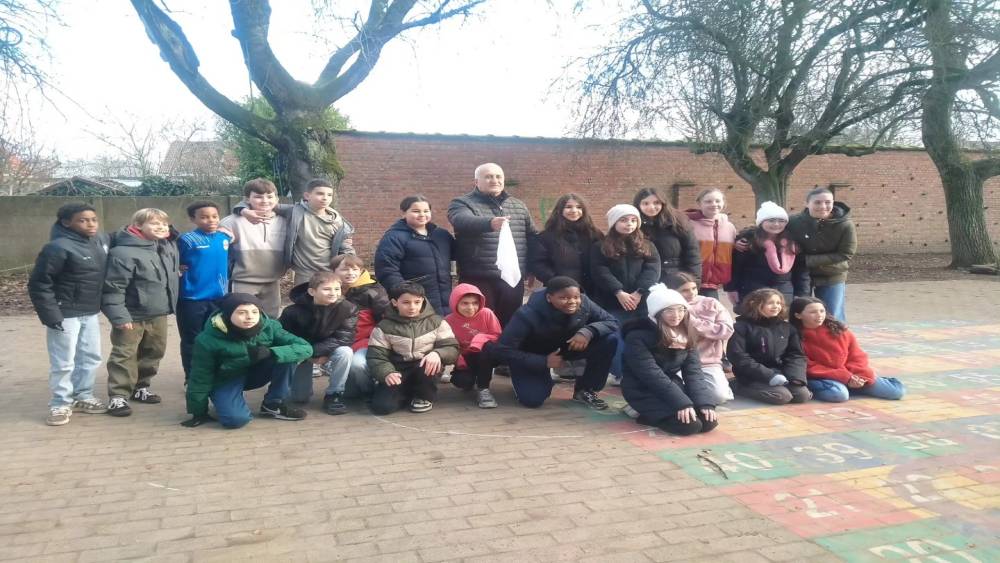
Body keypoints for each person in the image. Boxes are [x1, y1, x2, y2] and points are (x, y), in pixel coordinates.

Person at [28, 203, 110, 426]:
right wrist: (51, 315)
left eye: (93, 219)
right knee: (63, 362)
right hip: (64, 314)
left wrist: (167, 232)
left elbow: (126, 235)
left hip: (90, 312)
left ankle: (83, 395)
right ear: (66, 223)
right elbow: (39, 284)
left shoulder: (99, 241)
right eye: (83, 220)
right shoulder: (56, 248)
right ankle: (60, 403)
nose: (91, 224)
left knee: (91, 357)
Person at [182, 293, 311, 428]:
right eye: (242, 313)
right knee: (235, 420)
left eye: (255, 312)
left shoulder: (270, 326)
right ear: (227, 314)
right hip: (226, 378)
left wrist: (271, 352)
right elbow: (200, 376)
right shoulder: (206, 340)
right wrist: (198, 412)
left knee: (287, 357)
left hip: (257, 373)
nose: (250, 317)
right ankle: (224, 400)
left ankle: (273, 404)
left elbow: (305, 347)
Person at [491, 276, 619, 410]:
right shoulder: (527, 314)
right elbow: (502, 351)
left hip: (566, 347)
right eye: (564, 298)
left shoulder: (585, 302)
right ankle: (521, 377)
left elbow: (612, 322)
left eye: (576, 297)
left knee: (608, 340)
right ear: (549, 298)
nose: (572, 301)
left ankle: (585, 389)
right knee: (533, 399)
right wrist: (543, 361)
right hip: (533, 354)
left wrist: (588, 332)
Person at [102, 208, 180, 417]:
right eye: (154, 224)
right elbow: (113, 287)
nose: (161, 227)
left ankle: (141, 387)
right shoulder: (123, 253)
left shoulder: (164, 246)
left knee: (154, 352)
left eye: (164, 224)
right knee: (124, 354)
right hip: (131, 315)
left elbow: (175, 239)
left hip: (158, 312)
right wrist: (119, 316)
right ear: (137, 226)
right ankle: (118, 396)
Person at [621, 285, 719, 435]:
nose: (676, 315)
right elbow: (652, 375)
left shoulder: (686, 332)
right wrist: (682, 403)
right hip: (642, 388)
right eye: (669, 310)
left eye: (681, 309)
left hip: (671, 386)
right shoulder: (637, 337)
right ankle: (642, 412)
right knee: (689, 426)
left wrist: (704, 403)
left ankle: (665, 411)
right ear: (657, 313)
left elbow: (693, 372)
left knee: (708, 421)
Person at [448, 162, 536, 326]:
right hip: (478, 277)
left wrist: (531, 268)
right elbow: (461, 220)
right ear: (476, 182)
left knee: (510, 323)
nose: (494, 180)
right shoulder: (461, 203)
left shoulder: (518, 205)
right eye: (488, 177)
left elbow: (531, 237)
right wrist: (489, 223)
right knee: (480, 324)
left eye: (498, 176)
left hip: (512, 278)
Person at [235, 177, 356, 286]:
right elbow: (262, 204)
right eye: (320, 193)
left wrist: (351, 267)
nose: (325, 198)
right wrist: (244, 211)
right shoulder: (294, 212)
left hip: (329, 271)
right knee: (303, 302)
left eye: (329, 195)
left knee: (327, 302)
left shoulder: (338, 222)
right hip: (303, 272)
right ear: (307, 195)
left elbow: (346, 248)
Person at [590, 204, 661, 382]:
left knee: (640, 338)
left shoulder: (648, 245)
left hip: (641, 302)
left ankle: (640, 372)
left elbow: (652, 269)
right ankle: (620, 372)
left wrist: (639, 292)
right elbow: (600, 271)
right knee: (616, 337)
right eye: (623, 220)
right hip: (612, 302)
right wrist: (618, 291)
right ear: (614, 222)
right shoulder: (601, 246)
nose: (629, 224)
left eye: (633, 220)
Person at [366, 282, 460, 415]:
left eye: (417, 302)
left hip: (424, 368)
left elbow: (452, 347)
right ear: (394, 302)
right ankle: (406, 393)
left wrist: (438, 354)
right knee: (382, 407)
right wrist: (386, 372)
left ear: (423, 300)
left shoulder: (437, 321)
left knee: (429, 364)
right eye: (406, 302)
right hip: (398, 369)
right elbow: (376, 356)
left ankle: (424, 396)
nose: (412, 307)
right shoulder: (383, 327)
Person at [791, 297, 905, 403]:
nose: (819, 315)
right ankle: (836, 387)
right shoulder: (793, 335)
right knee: (839, 395)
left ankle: (854, 386)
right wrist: (845, 377)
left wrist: (858, 375)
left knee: (896, 392)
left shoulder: (838, 329)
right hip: (822, 377)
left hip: (851, 373)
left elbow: (857, 355)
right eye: (813, 312)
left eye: (822, 311)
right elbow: (807, 366)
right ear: (798, 315)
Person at [279, 272, 359, 415]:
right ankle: (283, 391)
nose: (333, 293)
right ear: (312, 291)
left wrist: (317, 352)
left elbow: (344, 337)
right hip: (302, 353)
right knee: (300, 398)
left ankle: (334, 394)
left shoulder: (348, 308)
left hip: (329, 349)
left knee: (345, 352)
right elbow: (283, 337)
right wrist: (308, 354)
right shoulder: (292, 312)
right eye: (327, 289)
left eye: (337, 289)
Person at [176, 201, 231, 382]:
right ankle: (192, 378)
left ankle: (213, 374)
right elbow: (172, 260)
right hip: (192, 298)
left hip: (219, 298)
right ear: (193, 219)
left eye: (214, 216)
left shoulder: (224, 238)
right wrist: (177, 268)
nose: (211, 220)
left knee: (217, 337)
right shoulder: (186, 240)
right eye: (204, 217)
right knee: (192, 340)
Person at [727, 288, 811, 405]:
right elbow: (738, 356)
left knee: (802, 395)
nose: (776, 306)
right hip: (751, 374)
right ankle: (736, 386)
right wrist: (769, 375)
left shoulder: (787, 328)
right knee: (782, 396)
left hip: (780, 372)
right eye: (770, 303)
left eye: (778, 303)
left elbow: (796, 354)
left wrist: (795, 377)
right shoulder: (741, 327)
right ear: (755, 304)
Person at [374, 195, 454, 315]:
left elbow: (458, 254)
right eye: (416, 211)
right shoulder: (394, 238)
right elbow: (386, 269)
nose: (422, 214)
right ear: (403, 213)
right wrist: (405, 293)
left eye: (426, 211)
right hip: (415, 303)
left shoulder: (441, 235)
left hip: (445, 299)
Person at [219, 178, 289, 317]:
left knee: (271, 318)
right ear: (247, 199)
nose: (265, 201)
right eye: (258, 197)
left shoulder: (285, 221)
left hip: (272, 281)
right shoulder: (231, 222)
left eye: (270, 196)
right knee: (242, 317)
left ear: (276, 199)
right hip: (242, 280)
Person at [786, 187, 857, 321]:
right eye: (817, 202)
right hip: (801, 275)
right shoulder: (793, 222)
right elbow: (769, 231)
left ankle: (836, 335)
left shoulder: (845, 225)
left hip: (832, 274)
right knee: (801, 314)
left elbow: (846, 253)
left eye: (827, 202)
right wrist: (747, 239)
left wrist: (808, 260)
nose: (823, 206)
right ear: (807, 204)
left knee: (832, 316)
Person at [666, 272, 735, 404]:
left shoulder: (711, 303)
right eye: (684, 290)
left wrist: (694, 323)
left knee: (719, 397)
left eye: (693, 288)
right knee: (676, 394)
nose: (691, 293)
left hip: (708, 361)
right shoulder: (667, 306)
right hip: (678, 362)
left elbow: (726, 330)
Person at [726, 201, 810, 308]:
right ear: (761, 222)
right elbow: (736, 267)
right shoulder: (748, 241)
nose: (776, 224)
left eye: (781, 221)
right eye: (771, 220)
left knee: (781, 317)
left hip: (784, 291)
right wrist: (731, 289)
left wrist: (802, 293)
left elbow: (801, 270)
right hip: (752, 290)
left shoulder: (793, 242)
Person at [332, 254, 389, 402]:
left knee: (358, 365)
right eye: (344, 269)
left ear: (361, 270)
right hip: (340, 343)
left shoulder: (373, 291)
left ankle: (369, 391)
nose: (350, 273)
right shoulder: (331, 290)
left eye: (355, 269)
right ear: (334, 271)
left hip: (366, 341)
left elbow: (386, 320)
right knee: (350, 394)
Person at [529, 193, 604, 295]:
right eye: (568, 207)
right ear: (559, 210)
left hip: (593, 292)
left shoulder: (594, 234)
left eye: (579, 207)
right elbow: (538, 264)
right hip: (561, 292)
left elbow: (603, 261)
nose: (574, 210)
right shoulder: (546, 236)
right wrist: (558, 282)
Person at [444, 283, 502, 408]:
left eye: (475, 303)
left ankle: (483, 388)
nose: (470, 307)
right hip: (464, 358)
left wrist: (478, 340)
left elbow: (497, 335)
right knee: (462, 381)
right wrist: (459, 359)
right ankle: (473, 378)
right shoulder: (448, 320)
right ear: (455, 303)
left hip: (485, 355)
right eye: (465, 303)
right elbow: (448, 343)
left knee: (487, 347)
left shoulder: (487, 313)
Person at [634, 187, 702, 284]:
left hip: (675, 279)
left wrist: (694, 282)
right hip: (644, 280)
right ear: (638, 205)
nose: (651, 207)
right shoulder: (633, 225)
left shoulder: (678, 222)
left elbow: (692, 254)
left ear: (663, 203)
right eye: (645, 203)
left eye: (656, 203)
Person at [685, 188, 737, 300]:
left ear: (723, 203)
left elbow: (730, 252)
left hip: (713, 284)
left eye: (718, 201)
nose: (714, 204)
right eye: (708, 201)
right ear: (699, 203)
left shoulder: (729, 227)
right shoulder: (688, 224)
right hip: (689, 281)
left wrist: (738, 245)